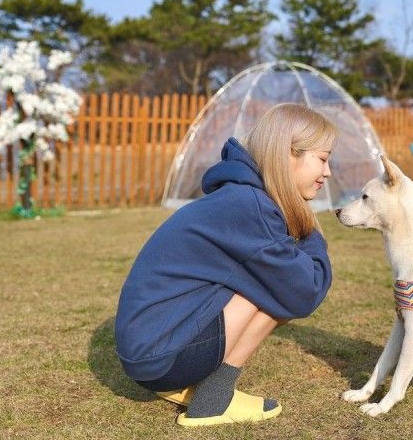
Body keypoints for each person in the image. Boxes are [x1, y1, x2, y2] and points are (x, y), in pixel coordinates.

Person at [114, 103, 337, 427]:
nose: (327, 172)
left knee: (272, 282)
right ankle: (213, 402)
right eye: (323, 158)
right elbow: (306, 292)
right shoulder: (251, 207)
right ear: (290, 153)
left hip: (150, 347)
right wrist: (312, 233)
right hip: (158, 356)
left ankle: (200, 387)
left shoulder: (242, 198)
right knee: (278, 291)